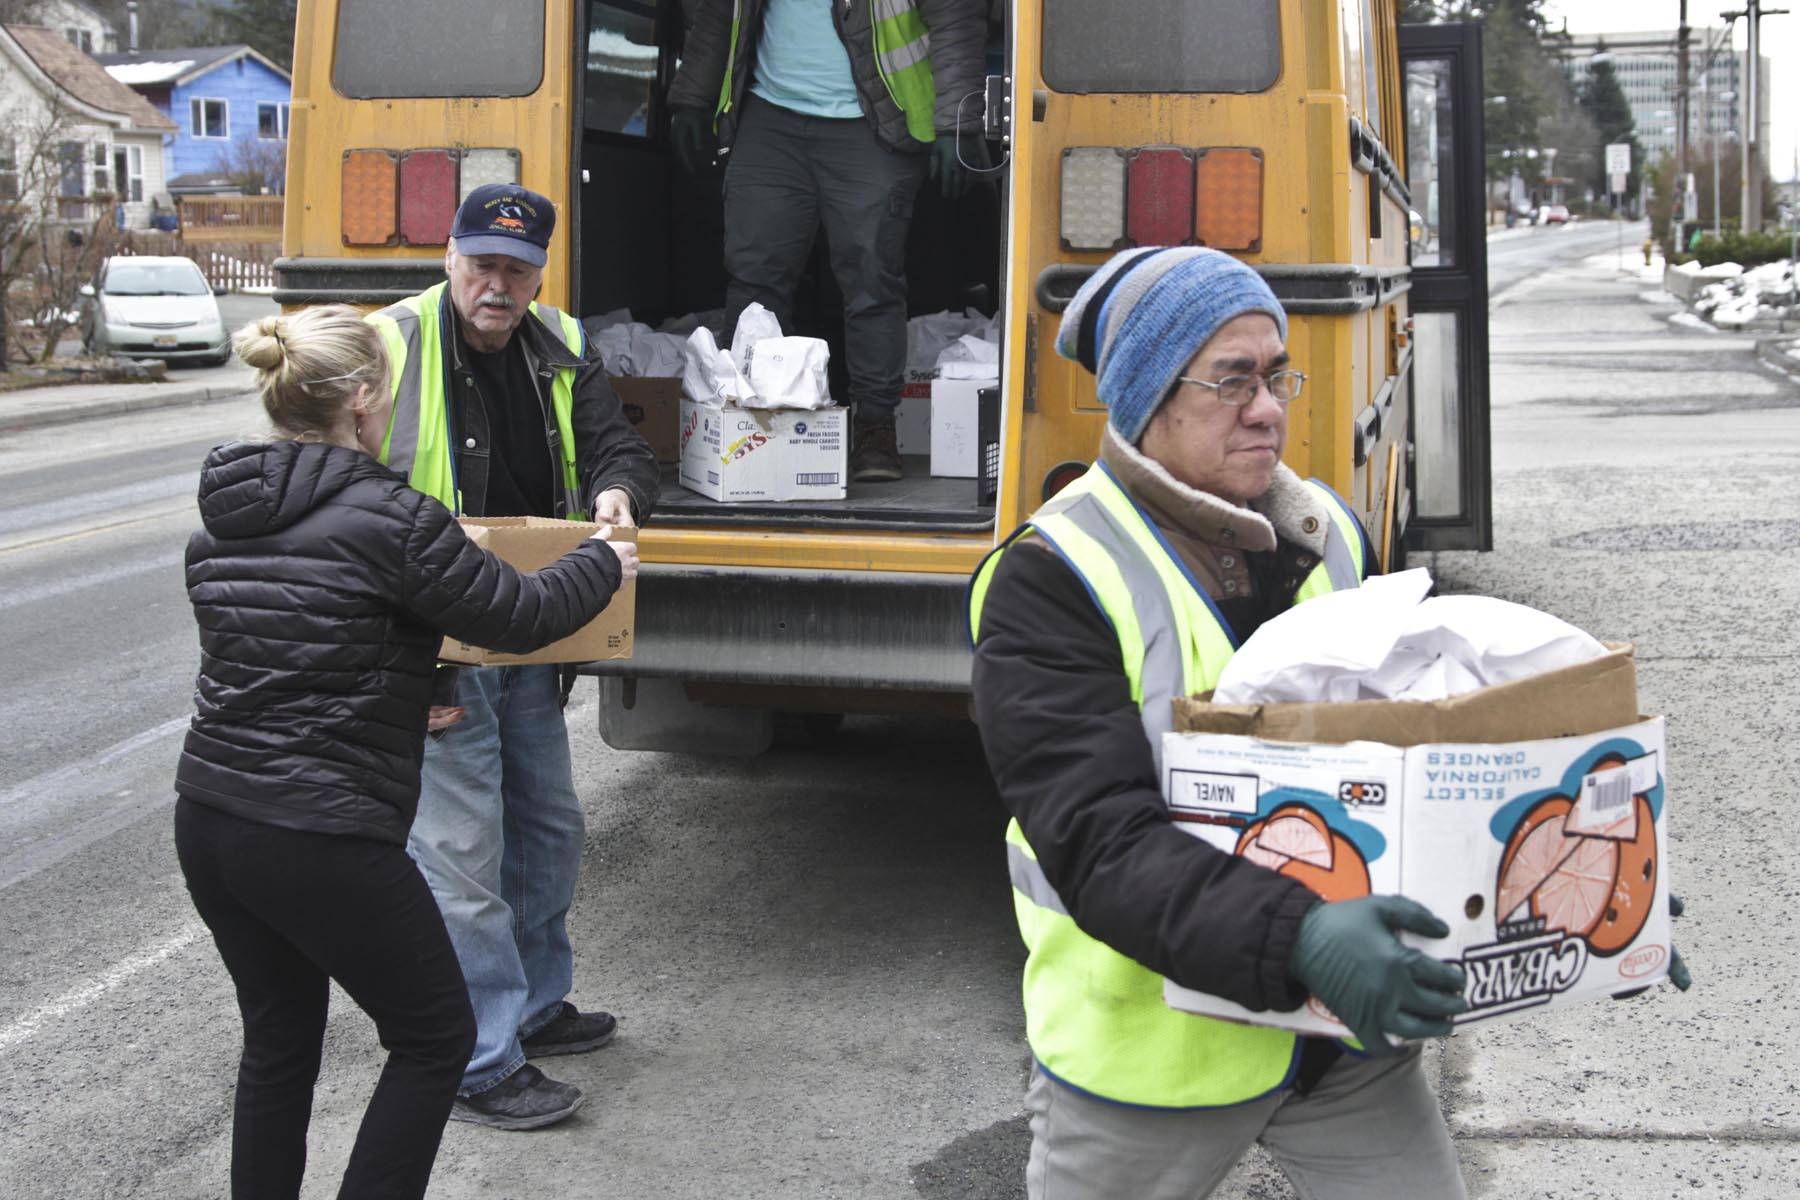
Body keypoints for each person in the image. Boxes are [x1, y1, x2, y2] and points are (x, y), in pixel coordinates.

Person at [967, 247, 1473, 1199]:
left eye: (1277, 375)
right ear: (1148, 397)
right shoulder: (1051, 577)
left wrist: (1556, 873)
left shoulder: (1327, 530)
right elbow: (1099, 842)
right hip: (1154, 1061)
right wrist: (1303, 941)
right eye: (1233, 379)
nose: (1270, 407)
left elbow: (1415, 746)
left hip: (1337, 1050)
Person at [176, 306, 639, 1200]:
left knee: (278, 1045)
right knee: (435, 1037)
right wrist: (603, 556)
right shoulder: (392, 517)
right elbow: (519, 615)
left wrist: (415, 681)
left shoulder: (222, 517)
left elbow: (312, 641)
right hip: (324, 832)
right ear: (361, 400)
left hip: (212, 820)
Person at [366, 183, 660, 1129]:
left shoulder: (559, 342)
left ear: (538, 276)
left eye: (516, 270)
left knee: (546, 832)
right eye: (480, 264)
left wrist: (617, 493)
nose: (496, 285)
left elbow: (622, 446)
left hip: (528, 632)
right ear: (449, 259)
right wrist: (403, 666)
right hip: (433, 644)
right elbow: (342, 500)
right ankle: (478, 1057)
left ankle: (535, 1006)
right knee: (460, 856)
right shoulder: (391, 346)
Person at [667, 0, 989, 482]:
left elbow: (954, 16)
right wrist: (692, 97)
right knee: (755, 281)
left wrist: (957, 121)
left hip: (876, 121)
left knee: (871, 282)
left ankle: (876, 429)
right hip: (769, 118)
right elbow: (718, 11)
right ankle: (748, 428)